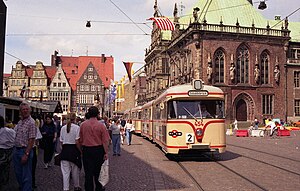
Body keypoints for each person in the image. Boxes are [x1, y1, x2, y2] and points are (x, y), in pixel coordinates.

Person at [79, 106, 110, 191]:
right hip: (98, 150)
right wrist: (106, 152)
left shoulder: (83, 125)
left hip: (87, 150)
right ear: (97, 114)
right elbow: (105, 141)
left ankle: (89, 189)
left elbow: (80, 139)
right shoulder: (101, 126)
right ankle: (98, 188)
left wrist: (81, 150)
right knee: (98, 173)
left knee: (88, 173)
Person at [13, 102, 37, 191]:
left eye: (27, 109)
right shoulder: (20, 122)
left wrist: (26, 154)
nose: (25, 111)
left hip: (25, 151)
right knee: (18, 173)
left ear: (30, 110)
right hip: (17, 150)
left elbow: (31, 139)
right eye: (23, 109)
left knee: (26, 175)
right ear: (20, 111)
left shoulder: (31, 122)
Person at [60, 113, 82, 191]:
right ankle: (76, 186)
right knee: (75, 171)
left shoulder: (62, 128)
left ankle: (66, 188)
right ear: (75, 119)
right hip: (74, 151)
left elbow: (61, 142)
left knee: (65, 173)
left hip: (65, 150)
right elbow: (77, 142)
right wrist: (81, 151)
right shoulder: (77, 128)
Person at [0, 115, 16, 190]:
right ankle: (4, 184)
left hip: (3, 151)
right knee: (6, 168)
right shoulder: (9, 131)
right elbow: (14, 140)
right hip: (8, 151)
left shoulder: (7, 131)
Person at [32, 115, 43, 189]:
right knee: (32, 168)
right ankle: (32, 183)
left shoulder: (35, 126)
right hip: (32, 148)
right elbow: (37, 140)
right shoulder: (35, 126)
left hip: (25, 149)